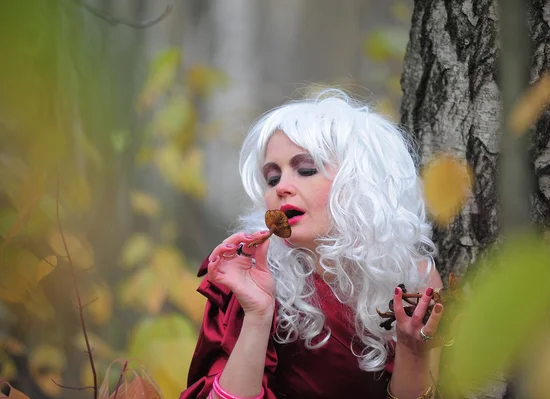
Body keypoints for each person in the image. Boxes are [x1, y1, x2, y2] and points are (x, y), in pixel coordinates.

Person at [181, 89, 445, 399]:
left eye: (305, 169)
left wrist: (413, 350)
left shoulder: (415, 276)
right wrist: (258, 315)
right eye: (272, 178)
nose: (282, 188)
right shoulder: (245, 277)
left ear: (360, 181)